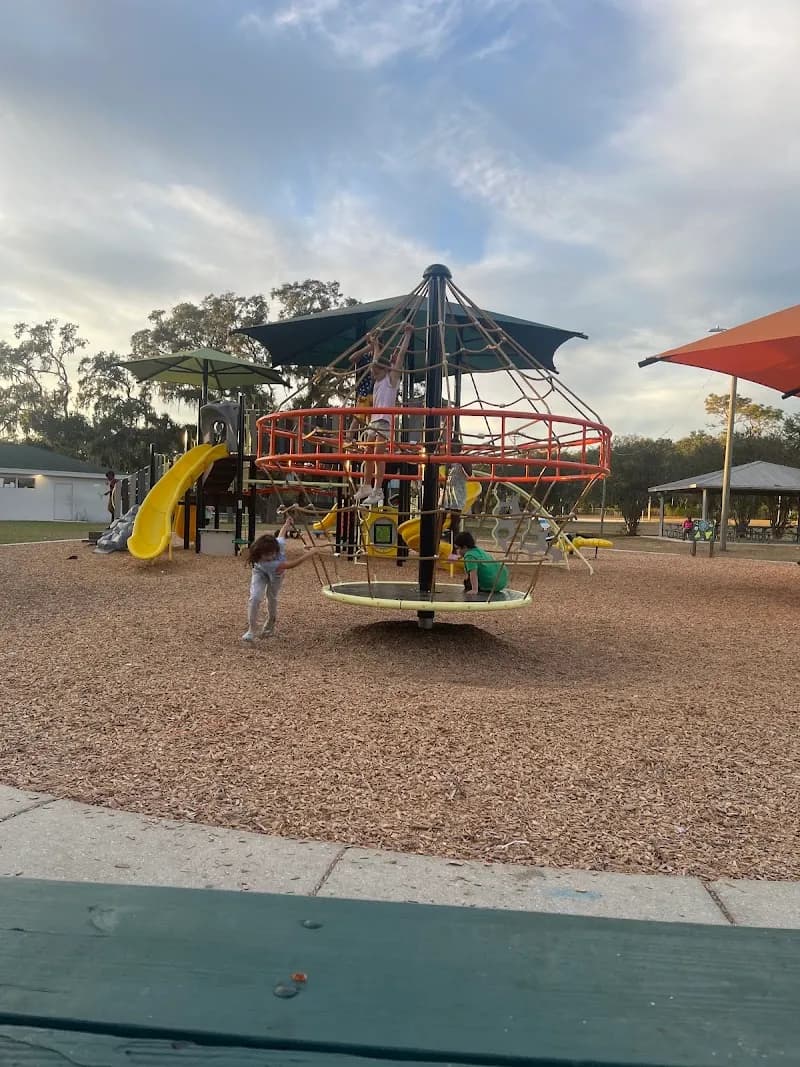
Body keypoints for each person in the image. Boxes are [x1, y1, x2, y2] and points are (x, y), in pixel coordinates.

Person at [352, 322, 414, 507]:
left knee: (378, 456)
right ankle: (366, 485)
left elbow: (401, 355)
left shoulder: (391, 380)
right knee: (368, 454)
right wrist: (375, 343)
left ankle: (378, 489)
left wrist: (407, 335)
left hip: (384, 423)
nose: (373, 374)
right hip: (373, 422)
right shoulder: (378, 381)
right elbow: (376, 359)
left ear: (385, 370)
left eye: (376, 371)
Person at [242, 514, 318, 642]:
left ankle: (270, 623)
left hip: (277, 575)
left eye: (272, 553)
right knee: (255, 597)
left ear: (275, 549)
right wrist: (309, 554)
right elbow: (292, 564)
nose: (270, 556)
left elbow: (282, 534)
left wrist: (287, 523)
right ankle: (251, 629)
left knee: (272, 597)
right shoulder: (266, 562)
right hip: (260, 572)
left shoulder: (278, 544)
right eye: (266, 555)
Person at [450, 530, 508, 596]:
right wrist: (460, 557)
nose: (457, 551)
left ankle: (476, 589)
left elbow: (473, 573)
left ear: (465, 547)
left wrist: (474, 590)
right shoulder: (478, 550)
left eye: (458, 548)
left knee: (467, 582)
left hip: (491, 584)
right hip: (501, 582)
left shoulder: (469, 556)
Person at [442, 439, 473, 535]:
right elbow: (446, 475)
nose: (450, 449)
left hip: (458, 491)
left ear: (457, 448)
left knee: (455, 520)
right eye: (449, 447)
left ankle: (455, 542)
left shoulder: (463, 458)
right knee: (441, 515)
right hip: (447, 490)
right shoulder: (448, 459)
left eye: (452, 447)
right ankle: (438, 537)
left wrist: (460, 460)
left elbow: (469, 473)